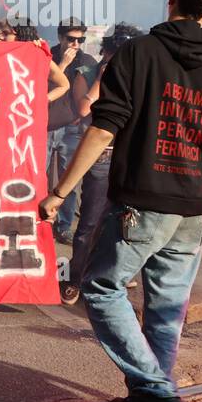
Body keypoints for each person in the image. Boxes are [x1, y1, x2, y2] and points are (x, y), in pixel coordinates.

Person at [40, 0, 202, 402]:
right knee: (165, 311)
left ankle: (155, 390)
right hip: (198, 209)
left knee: (101, 288)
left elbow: (103, 129)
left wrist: (60, 192)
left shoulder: (139, 53)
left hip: (142, 205)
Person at [58, 23, 144, 307]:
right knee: (91, 221)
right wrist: (104, 77)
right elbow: (84, 110)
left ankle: (108, 276)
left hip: (129, 154)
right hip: (101, 155)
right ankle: (75, 279)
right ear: (109, 51)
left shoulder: (137, 76)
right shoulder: (90, 71)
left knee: (124, 221)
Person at [46, 17, 99, 243]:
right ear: (60, 37)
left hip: (71, 128)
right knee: (40, 176)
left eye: (80, 40)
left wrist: (82, 116)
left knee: (69, 179)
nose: (75, 45)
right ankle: (40, 221)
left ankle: (64, 225)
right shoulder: (47, 56)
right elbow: (41, 85)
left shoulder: (87, 60)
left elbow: (93, 91)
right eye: (71, 39)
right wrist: (63, 66)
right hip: (47, 126)